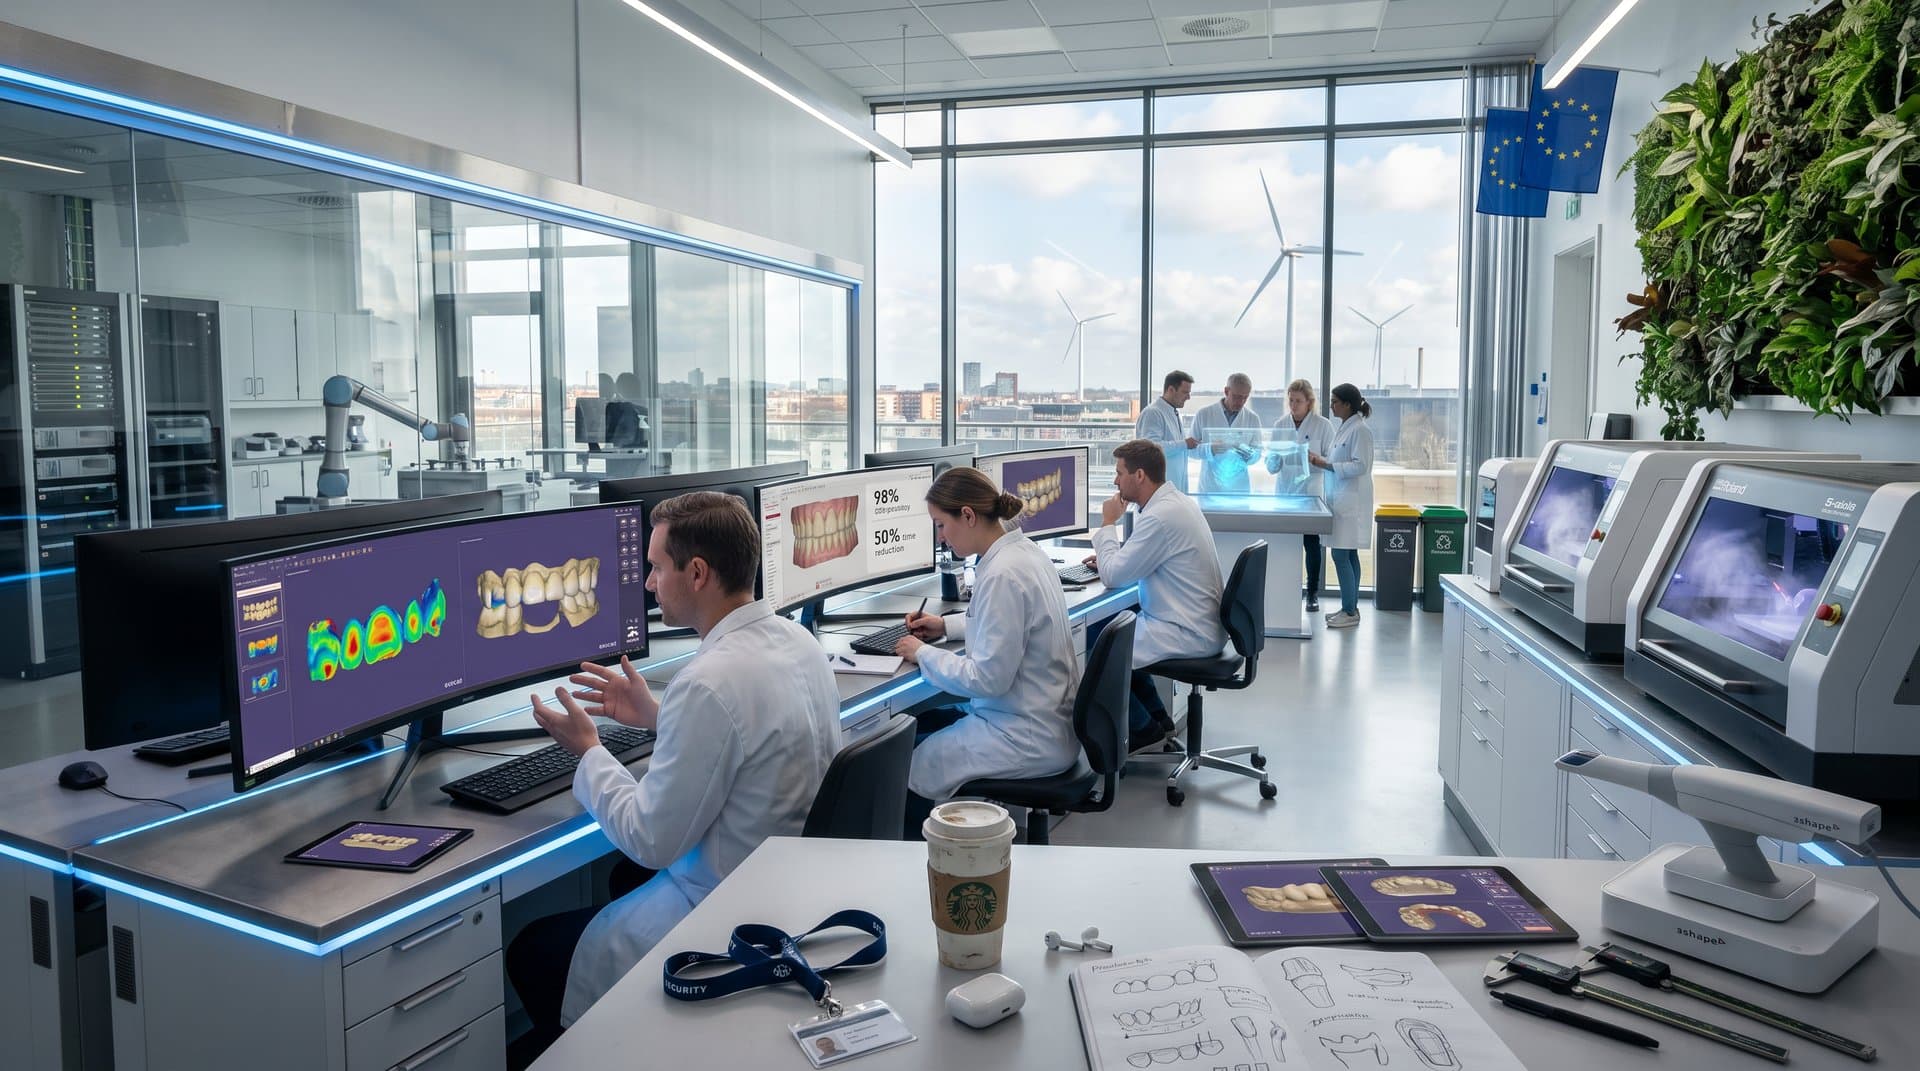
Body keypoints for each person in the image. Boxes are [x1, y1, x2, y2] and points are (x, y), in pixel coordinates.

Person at [505, 492, 843, 1051]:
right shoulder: (797, 641)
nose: (647, 583)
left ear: (697, 572)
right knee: (617, 887)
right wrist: (658, 717)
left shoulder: (708, 681)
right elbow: (751, 739)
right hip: (787, 887)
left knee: (531, 951)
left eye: (656, 567)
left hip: (725, 911)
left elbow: (649, 840)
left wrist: (589, 751)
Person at [893, 467, 1081, 828]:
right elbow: (1008, 625)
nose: (941, 539)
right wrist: (945, 626)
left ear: (967, 515)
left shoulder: (1002, 574)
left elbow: (988, 680)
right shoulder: (1023, 553)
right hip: (1042, 722)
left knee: (908, 761)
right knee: (924, 724)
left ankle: (919, 865)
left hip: (1024, 735)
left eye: (941, 525)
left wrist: (922, 653)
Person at [1083, 439, 1225, 751]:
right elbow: (1139, 558)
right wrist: (1118, 555)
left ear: (1140, 476)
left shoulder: (1160, 517)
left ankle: (1142, 730)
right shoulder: (1176, 503)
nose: (1115, 481)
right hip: (1195, 622)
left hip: (1187, 631)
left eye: (1119, 473)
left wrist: (1107, 523)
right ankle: (1159, 721)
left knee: (1100, 649)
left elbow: (1114, 575)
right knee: (1113, 631)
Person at [1311, 383, 1375, 629]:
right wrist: (1323, 461)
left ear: (1348, 404)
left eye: (1335, 401)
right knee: (1349, 554)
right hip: (1342, 500)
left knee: (1340, 554)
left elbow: (1360, 466)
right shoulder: (1347, 428)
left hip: (1351, 503)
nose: (1331, 405)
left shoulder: (1360, 430)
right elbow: (1343, 460)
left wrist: (1326, 465)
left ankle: (1349, 610)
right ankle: (1351, 607)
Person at [1268, 378, 1334, 611]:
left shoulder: (1323, 425)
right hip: (1285, 491)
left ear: (1309, 402)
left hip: (1310, 492)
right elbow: (1271, 463)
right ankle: (1284, 588)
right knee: (1284, 542)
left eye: (1298, 401)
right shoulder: (1280, 425)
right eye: (1291, 400)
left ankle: (1313, 593)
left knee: (1311, 543)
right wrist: (1274, 460)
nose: (1293, 405)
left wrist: (1314, 458)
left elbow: (1331, 461)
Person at [1189, 373, 1265, 493]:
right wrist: (1210, 449)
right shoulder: (1204, 414)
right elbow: (1190, 450)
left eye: (1245, 397)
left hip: (1239, 488)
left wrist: (1250, 455)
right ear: (1226, 391)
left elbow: (1258, 452)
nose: (1241, 402)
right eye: (1236, 396)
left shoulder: (1252, 418)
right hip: (1210, 487)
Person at [1136, 370, 1198, 493]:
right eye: (1185, 392)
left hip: (1173, 490)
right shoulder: (1153, 413)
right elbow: (1151, 449)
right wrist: (1184, 444)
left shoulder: (1172, 412)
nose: (1189, 397)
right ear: (1170, 390)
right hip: (1159, 491)